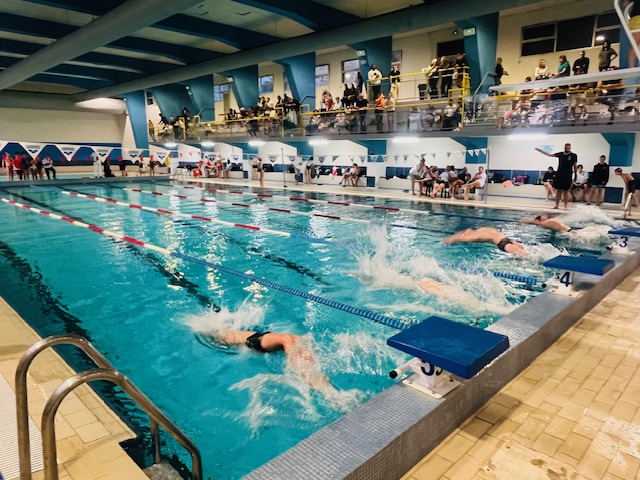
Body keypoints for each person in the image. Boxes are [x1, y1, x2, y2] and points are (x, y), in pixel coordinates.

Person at [213, 329, 337, 395]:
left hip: (256, 338)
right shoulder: (223, 334)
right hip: (254, 341)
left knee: (298, 340)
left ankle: (319, 380)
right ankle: (316, 382)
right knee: (287, 339)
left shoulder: (222, 333)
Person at [534, 144, 577, 210]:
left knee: (565, 191)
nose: (567, 149)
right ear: (564, 147)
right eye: (566, 148)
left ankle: (566, 206)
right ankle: (556, 205)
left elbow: (575, 165)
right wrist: (540, 150)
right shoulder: (561, 154)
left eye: (568, 148)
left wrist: (576, 175)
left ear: (570, 148)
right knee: (558, 190)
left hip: (568, 175)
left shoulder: (573, 155)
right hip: (559, 174)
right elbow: (549, 155)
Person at [443, 227, 528, 256]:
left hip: (503, 244)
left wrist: (450, 239)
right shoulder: (483, 229)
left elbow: (461, 238)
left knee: (523, 256)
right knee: (526, 253)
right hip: (509, 240)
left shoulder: (477, 235)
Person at [626, 0, 640, 68]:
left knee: (636, 43)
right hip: (637, 17)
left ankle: (631, 66)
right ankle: (631, 66)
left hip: (636, 16)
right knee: (636, 42)